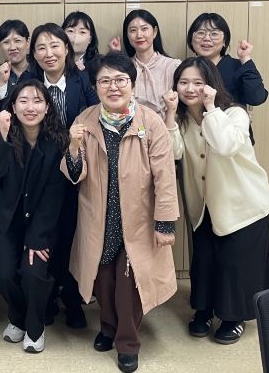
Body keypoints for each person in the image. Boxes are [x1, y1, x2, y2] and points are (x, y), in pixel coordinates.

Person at [62, 52, 179, 373]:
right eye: (105, 81)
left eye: (120, 80)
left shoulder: (150, 121)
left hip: (138, 218)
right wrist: (73, 146)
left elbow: (165, 176)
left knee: (129, 282)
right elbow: (74, 175)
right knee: (103, 279)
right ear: (95, 87)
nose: (113, 87)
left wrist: (165, 222)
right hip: (98, 217)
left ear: (132, 84)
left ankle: (127, 343)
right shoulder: (85, 120)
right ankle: (108, 327)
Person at [164, 56, 269, 345]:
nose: (190, 89)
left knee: (234, 263)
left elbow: (225, 145)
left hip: (243, 203)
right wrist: (170, 115)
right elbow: (172, 153)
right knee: (205, 260)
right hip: (203, 204)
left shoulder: (235, 113)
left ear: (212, 85)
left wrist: (211, 108)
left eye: (198, 83)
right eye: (183, 82)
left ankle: (233, 318)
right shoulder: (182, 120)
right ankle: (203, 310)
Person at [0, 79, 69, 353]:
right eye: (23, 101)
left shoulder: (57, 142)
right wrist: (1, 134)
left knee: (33, 272)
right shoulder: (2, 132)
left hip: (41, 224)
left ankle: (35, 328)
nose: (30, 107)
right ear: (13, 106)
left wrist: (36, 238)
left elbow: (54, 196)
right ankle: (18, 318)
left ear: (47, 108)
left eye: (37, 101)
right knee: (4, 275)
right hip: (8, 222)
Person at [26, 23, 98, 328]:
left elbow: (96, 118)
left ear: (66, 49)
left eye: (55, 45)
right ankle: (46, 299)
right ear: (34, 54)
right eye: (41, 48)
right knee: (46, 236)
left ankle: (72, 299)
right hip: (40, 175)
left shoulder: (83, 82)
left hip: (77, 173)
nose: (49, 53)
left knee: (72, 237)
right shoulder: (28, 84)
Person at [186, 12, 268, 142]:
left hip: (232, 140)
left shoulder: (238, 66)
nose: (206, 38)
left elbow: (256, 98)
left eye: (214, 34)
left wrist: (245, 59)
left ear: (225, 41)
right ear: (191, 39)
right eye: (200, 33)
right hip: (195, 140)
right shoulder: (187, 69)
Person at [109, 9, 181, 119]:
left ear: (155, 32)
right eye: (133, 30)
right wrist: (115, 56)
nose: (139, 35)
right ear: (127, 35)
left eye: (144, 29)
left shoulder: (173, 66)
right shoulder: (123, 68)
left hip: (165, 126)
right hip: (129, 127)